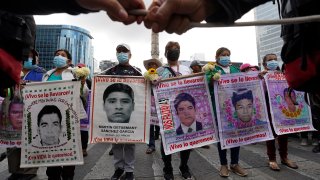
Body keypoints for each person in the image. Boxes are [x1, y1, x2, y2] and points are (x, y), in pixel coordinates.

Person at [101, 43, 141, 180]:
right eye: (119, 51)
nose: (121, 53)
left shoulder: (137, 71)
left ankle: (129, 170)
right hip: (114, 115)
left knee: (130, 143)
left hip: (130, 115)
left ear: (130, 55)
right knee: (116, 142)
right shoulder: (109, 71)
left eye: (124, 51)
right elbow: (99, 86)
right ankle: (118, 169)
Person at [205, 47, 247, 177]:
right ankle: (223, 164)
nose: (226, 57)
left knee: (236, 135)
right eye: (223, 55)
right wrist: (212, 80)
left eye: (228, 55)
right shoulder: (212, 70)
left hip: (236, 107)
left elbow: (243, 83)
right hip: (220, 108)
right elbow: (207, 84)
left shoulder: (235, 69)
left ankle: (234, 164)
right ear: (217, 57)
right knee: (222, 136)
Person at [156, 41, 193, 180]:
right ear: (165, 53)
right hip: (166, 108)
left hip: (184, 109)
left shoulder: (186, 69)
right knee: (167, 139)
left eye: (176, 48)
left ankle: (184, 166)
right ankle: (168, 167)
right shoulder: (159, 71)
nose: (174, 51)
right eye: (170, 49)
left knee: (186, 138)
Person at [6, 49, 44, 180]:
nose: (28, 59)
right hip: (13, 111)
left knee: (31, 141)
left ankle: (29, 171)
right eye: (26, 56)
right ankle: (14, 170)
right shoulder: (13, 70)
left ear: (36, 59)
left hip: (33, 110)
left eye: (31, 57)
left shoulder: (41, 73)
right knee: (13, 142)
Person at [42, 49, 78, 180]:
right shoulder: (47, 74)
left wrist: (81, 83)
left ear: (69, 61)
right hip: (50, 116)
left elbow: (82, 93)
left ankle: (68, 176)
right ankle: (53, 176)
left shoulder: (73, 74)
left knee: (68, 150)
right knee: (52, 149)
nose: (58, 57)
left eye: (62, 55)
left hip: (68, 117)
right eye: (57, 55)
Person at [261, 53, 298, 171]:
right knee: (271, 134)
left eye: (275, 59)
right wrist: (262, 78)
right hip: (269, 109)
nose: (273, 61)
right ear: (264, 64)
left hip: (282, 109)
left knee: (284, 133)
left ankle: (284, 157)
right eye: (270, 60)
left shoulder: (283, 75)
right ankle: (272, 159)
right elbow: (261, 92)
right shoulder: (263, 76)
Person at [143, 58, 162, 154]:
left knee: (164, 124)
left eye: (154, 65)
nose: (152, 66)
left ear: (157, 67)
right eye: (150, 65)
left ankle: (167, 145)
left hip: (161, 102)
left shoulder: (162, 76)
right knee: (150, 125)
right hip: (149, 103)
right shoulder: (144, 78)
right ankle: (151, 145)